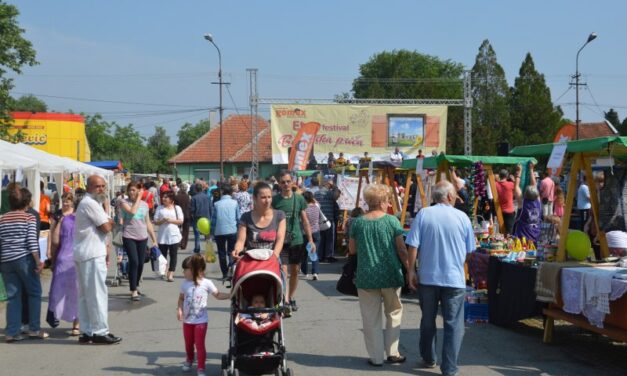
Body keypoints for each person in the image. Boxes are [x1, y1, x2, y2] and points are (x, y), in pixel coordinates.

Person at [405, 181, 475, 375]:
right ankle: (449, 368)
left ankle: (428, 357)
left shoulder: (424, 214)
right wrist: (458, 262)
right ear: (450, 197)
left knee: (428, 320)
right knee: (453, 324)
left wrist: (411, 271)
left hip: (428, 277)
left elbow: (413, 246)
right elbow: (470, 251)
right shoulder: (462, 217)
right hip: (454, 279)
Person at [348, 184, 409, 366]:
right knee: (394, 313)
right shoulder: (392, 221)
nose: (388, 203)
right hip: (391, 274)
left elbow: (352, 249)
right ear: (382, 202)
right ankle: (393, 353)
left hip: (366, 276)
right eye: (388, 200)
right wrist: (409, 269)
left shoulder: (358, 222)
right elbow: (401, 249)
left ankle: (375, 357)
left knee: (370, 317)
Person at [72, 175, 121, 344]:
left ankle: (87, 331)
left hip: (85, 252)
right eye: (97, 186)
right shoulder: (90, 203)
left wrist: (108, 221)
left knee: (86, 295)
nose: (101, 189)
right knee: (97, 294)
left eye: (103, 186)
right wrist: (112, 221)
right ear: (89, 187)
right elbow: (106, 227)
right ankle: (100, 331)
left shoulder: (91, 203)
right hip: (91, 253)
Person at [0, 186, 48, 342]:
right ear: (27, 202)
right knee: (34, 292)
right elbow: (31, 242)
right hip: (24, 259)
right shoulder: (29, 217)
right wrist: (38, 261)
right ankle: (34, 328)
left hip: (6, 260)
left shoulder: (2, 218)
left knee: (13, 296)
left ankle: (11, 332)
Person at [177, 254, 230, 376]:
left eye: (186, 269)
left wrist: (229, 295)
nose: (183, 271)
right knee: (188, 344)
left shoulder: (207, 283)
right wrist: (179, 309)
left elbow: (217, 295)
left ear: (195, 270)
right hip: (187, 321)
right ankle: (189, 359)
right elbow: (180, 299)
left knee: (200, 344)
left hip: (201, 321)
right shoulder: (184, 284)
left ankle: (201, 368)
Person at [272, 172, 315, 315]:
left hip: (296, 239)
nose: (285, 184)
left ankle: (290, 297)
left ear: (292, 182)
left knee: (295, 270)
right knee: (283, 270)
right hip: (281, 240)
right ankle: (284, 300)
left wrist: (310, 240)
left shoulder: (299, 199)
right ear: (279, 183)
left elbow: (305, 220)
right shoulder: (275, 200)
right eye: (283, 182)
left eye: (288, 181)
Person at [119, 182, 158, 301]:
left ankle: (136, 284)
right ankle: (133, 290)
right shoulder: (123, 202)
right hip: (129, 236)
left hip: (142, 237)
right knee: (134, 261)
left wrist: (154, 239)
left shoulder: (145, 205)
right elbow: (132, 212)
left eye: (134, 190)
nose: (132, 192)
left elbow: (148, 222)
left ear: (139, 190)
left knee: (141, 263)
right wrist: (139, 198)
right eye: (130, 190)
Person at [48, 192, 80, 335]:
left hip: (72, 257)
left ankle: (76, 323)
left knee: (72, 290)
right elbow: (51, 234)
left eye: (68, 200)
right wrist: (50, 252)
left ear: (73, 202)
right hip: (64, 256)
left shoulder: (77, 215)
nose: (66, 203)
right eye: (64, 200)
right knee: (66, 289)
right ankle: (57, 316)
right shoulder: (58, 215)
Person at [232, 181, 286, 261]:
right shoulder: (245, 217)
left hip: (272, 259)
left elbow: (280, 239)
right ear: (254, 198)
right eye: (263, 197)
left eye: (269, 197)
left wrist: (274, 255)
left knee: (282, 273)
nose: (267, 201)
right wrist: (237, 251)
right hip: (251, 261)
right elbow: (240, 241)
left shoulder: (279, 215)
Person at [154, 191, 184, 282]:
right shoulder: (159, 208)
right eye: (163, 197)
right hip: (162, 236)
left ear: (171, 199)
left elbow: (180, 221)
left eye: (166, 197)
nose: (163, 199)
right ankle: (164, 271)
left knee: (173, 255)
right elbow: (155, 221)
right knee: (162, 256)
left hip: (174, 236)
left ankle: (171, 273)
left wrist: (170, 220)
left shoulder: (177, 208)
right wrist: (163, 220)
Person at [211, 184, 240, 280]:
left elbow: (214, 220)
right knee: (232, 252)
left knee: (221, 253)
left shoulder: (216, 204)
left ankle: (224, 273)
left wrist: (212, 232)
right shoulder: (235, 203)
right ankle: (232, 269)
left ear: (222, 192)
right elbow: (238, 218)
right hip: (232, 230)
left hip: (219, 231)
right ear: (231, 193)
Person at [513, 163, 542, 243]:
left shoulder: (522, 203)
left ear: (525, 194)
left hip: (523, 239)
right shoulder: (538, 202)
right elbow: (534, 185)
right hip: (536, 237)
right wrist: (531, 169)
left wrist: (519, 171)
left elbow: (516, 187)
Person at [314, 179, 338, 262]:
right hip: (329, 218)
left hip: (319, 218)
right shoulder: (330, 193)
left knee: (321, 238)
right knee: (330, 239)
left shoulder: (316, 193)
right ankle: (329, 256)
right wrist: (335, 187)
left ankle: (320, 256)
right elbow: (337, 196)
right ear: (328, 185)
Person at [301, 191, 321, 280]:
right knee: (314, 252)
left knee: (304, 253)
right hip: (316, 231)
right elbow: (316, 201)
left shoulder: (304, 209)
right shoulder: (317, 206)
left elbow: (303, 221)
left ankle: (305, 271)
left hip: (305, 233)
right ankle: (315, 272)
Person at [190, 183, 211, 253]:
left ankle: (197, 248)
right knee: (207, 234)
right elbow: (211, 207)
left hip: (197, 217)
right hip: (207, 217)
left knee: (197, 234)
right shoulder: (207, 197)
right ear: (202, 189)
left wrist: (192, 216)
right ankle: (209, 249)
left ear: (196, 189)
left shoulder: (194, 198)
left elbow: (192, 209)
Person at [496, 168, 516, 235]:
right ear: (507, 176)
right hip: (509, 211)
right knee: (509, 232)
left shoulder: (495, 184)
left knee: (501, 231)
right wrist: (513, 180)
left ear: (499, 175)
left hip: (499, 211)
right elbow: (518, 188)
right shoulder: (511, 184)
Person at [174, 182, 191, 250]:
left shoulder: (177, 196)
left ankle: (177, 242)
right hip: (187, 215)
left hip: (178, 215)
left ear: (180, 188)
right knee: (185, 231)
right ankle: (183, 244)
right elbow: (190, 206)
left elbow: (174, 206)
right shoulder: (188, 197)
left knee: (177, 229)